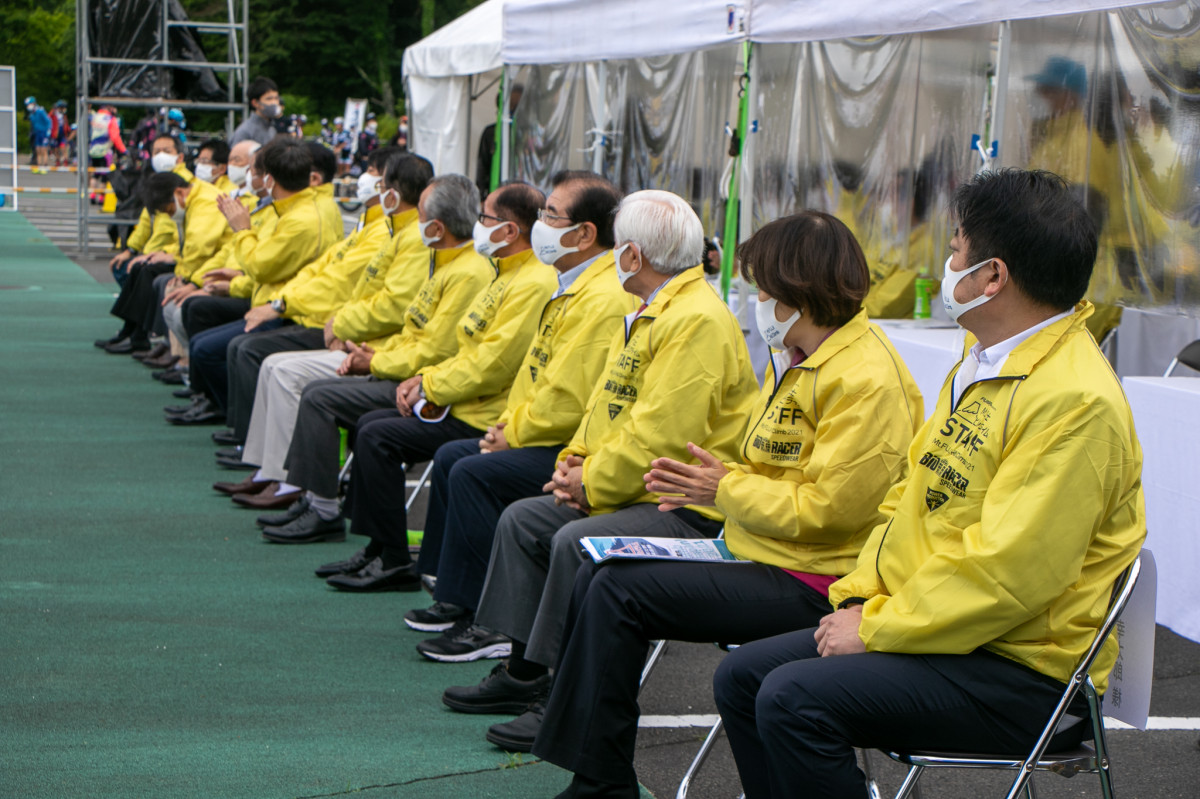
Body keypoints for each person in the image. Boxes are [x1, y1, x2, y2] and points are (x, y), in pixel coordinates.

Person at [712, 169, 1145, 799]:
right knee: (744, 676)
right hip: (946, 633)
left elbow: (1009, 572)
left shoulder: (1073, 398)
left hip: (1022, 669)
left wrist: (879, 625)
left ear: (992, 277)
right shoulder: (985, 360)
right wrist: (861, 597)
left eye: (957, 250)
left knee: (792, 696)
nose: (946, 263)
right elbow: (908, 500)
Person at [529, 211, 925, 795]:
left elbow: (830, 511)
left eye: (763, 288)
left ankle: (600, 783)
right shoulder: (803, 358)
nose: (756, 301)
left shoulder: (865, 377)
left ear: (798, 291)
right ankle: (597, 772)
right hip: (754, 547)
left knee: (616, 589)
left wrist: (722, 487)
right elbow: (764, 464)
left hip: (814, 577)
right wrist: (721, 478)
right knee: (599, 570)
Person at [432, 190, 761, 751]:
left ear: (632, 254)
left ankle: (561, 696)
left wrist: (592, 484)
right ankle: (524, 671)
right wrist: (574, 463)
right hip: (637, 484)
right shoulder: (650, 307)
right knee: (524, 519)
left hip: (683, 504)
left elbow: (662, 435)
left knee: (571, 539)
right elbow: (604, 406)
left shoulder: (696, 319)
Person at [382, 171, 631, 620]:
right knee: (456, 459)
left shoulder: (597, 296)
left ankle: (478, 609)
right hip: (531, 428)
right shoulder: (567, 284)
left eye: (551, 215)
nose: (541, 224)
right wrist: (506, 427)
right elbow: (534, 377)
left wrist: (508, 432)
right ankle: (449, 585)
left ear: (586, 233)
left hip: (570, 446)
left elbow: (566, 399)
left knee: (472, 470)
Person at [318, 181, 556, 587]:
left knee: (378, 435)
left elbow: (491, 365)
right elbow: (465, 349)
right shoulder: (503, 273)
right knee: (370, 427)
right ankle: (380, 549)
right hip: (462, 401)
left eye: (485, 217)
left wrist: (429, 386)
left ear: (510, 230)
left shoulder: (532, 282)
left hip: (482, 412)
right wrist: (424, 379)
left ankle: (394, 557)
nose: (477, 225)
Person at [254, 174, 494, 543]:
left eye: (421, 216)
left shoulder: (467, 272)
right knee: (328, 397)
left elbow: (436, 350)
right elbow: (413, 330)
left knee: (321, 397)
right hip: (399, 367)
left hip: (423, 387)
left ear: (436, 226)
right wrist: (375, 353)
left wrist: (376, 361)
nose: (415, 223)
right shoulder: (446, 262)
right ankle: (339, 518)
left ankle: (324, 510)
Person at [172, 138, 342, 426]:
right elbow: (259, 262)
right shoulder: (288, 208)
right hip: (277, 300)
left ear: (271, 179)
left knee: (228, 347)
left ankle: (242, 427)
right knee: (205, 328)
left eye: (255, 170)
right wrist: (228, 277)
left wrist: (241, 231)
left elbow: (261, 266)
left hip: (295, 310)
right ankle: (222, 409)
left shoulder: (301, 216)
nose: (251, 177)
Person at [232, 76, 282, 146]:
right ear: (255, 103)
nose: (274, 103)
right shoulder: (245, 132)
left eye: (276, 98)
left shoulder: (272, 129)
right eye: (269, 99)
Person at [25, 98, 52, 173]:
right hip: (37, 133)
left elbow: (48, 120)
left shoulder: (40, 111)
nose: (28, 106)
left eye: (29, 104)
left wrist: (49, 130)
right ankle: (39, 166)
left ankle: (44, 166)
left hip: (43, 132)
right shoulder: (32, 114)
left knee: (43, 150)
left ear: (33, 103)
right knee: (38, 150)